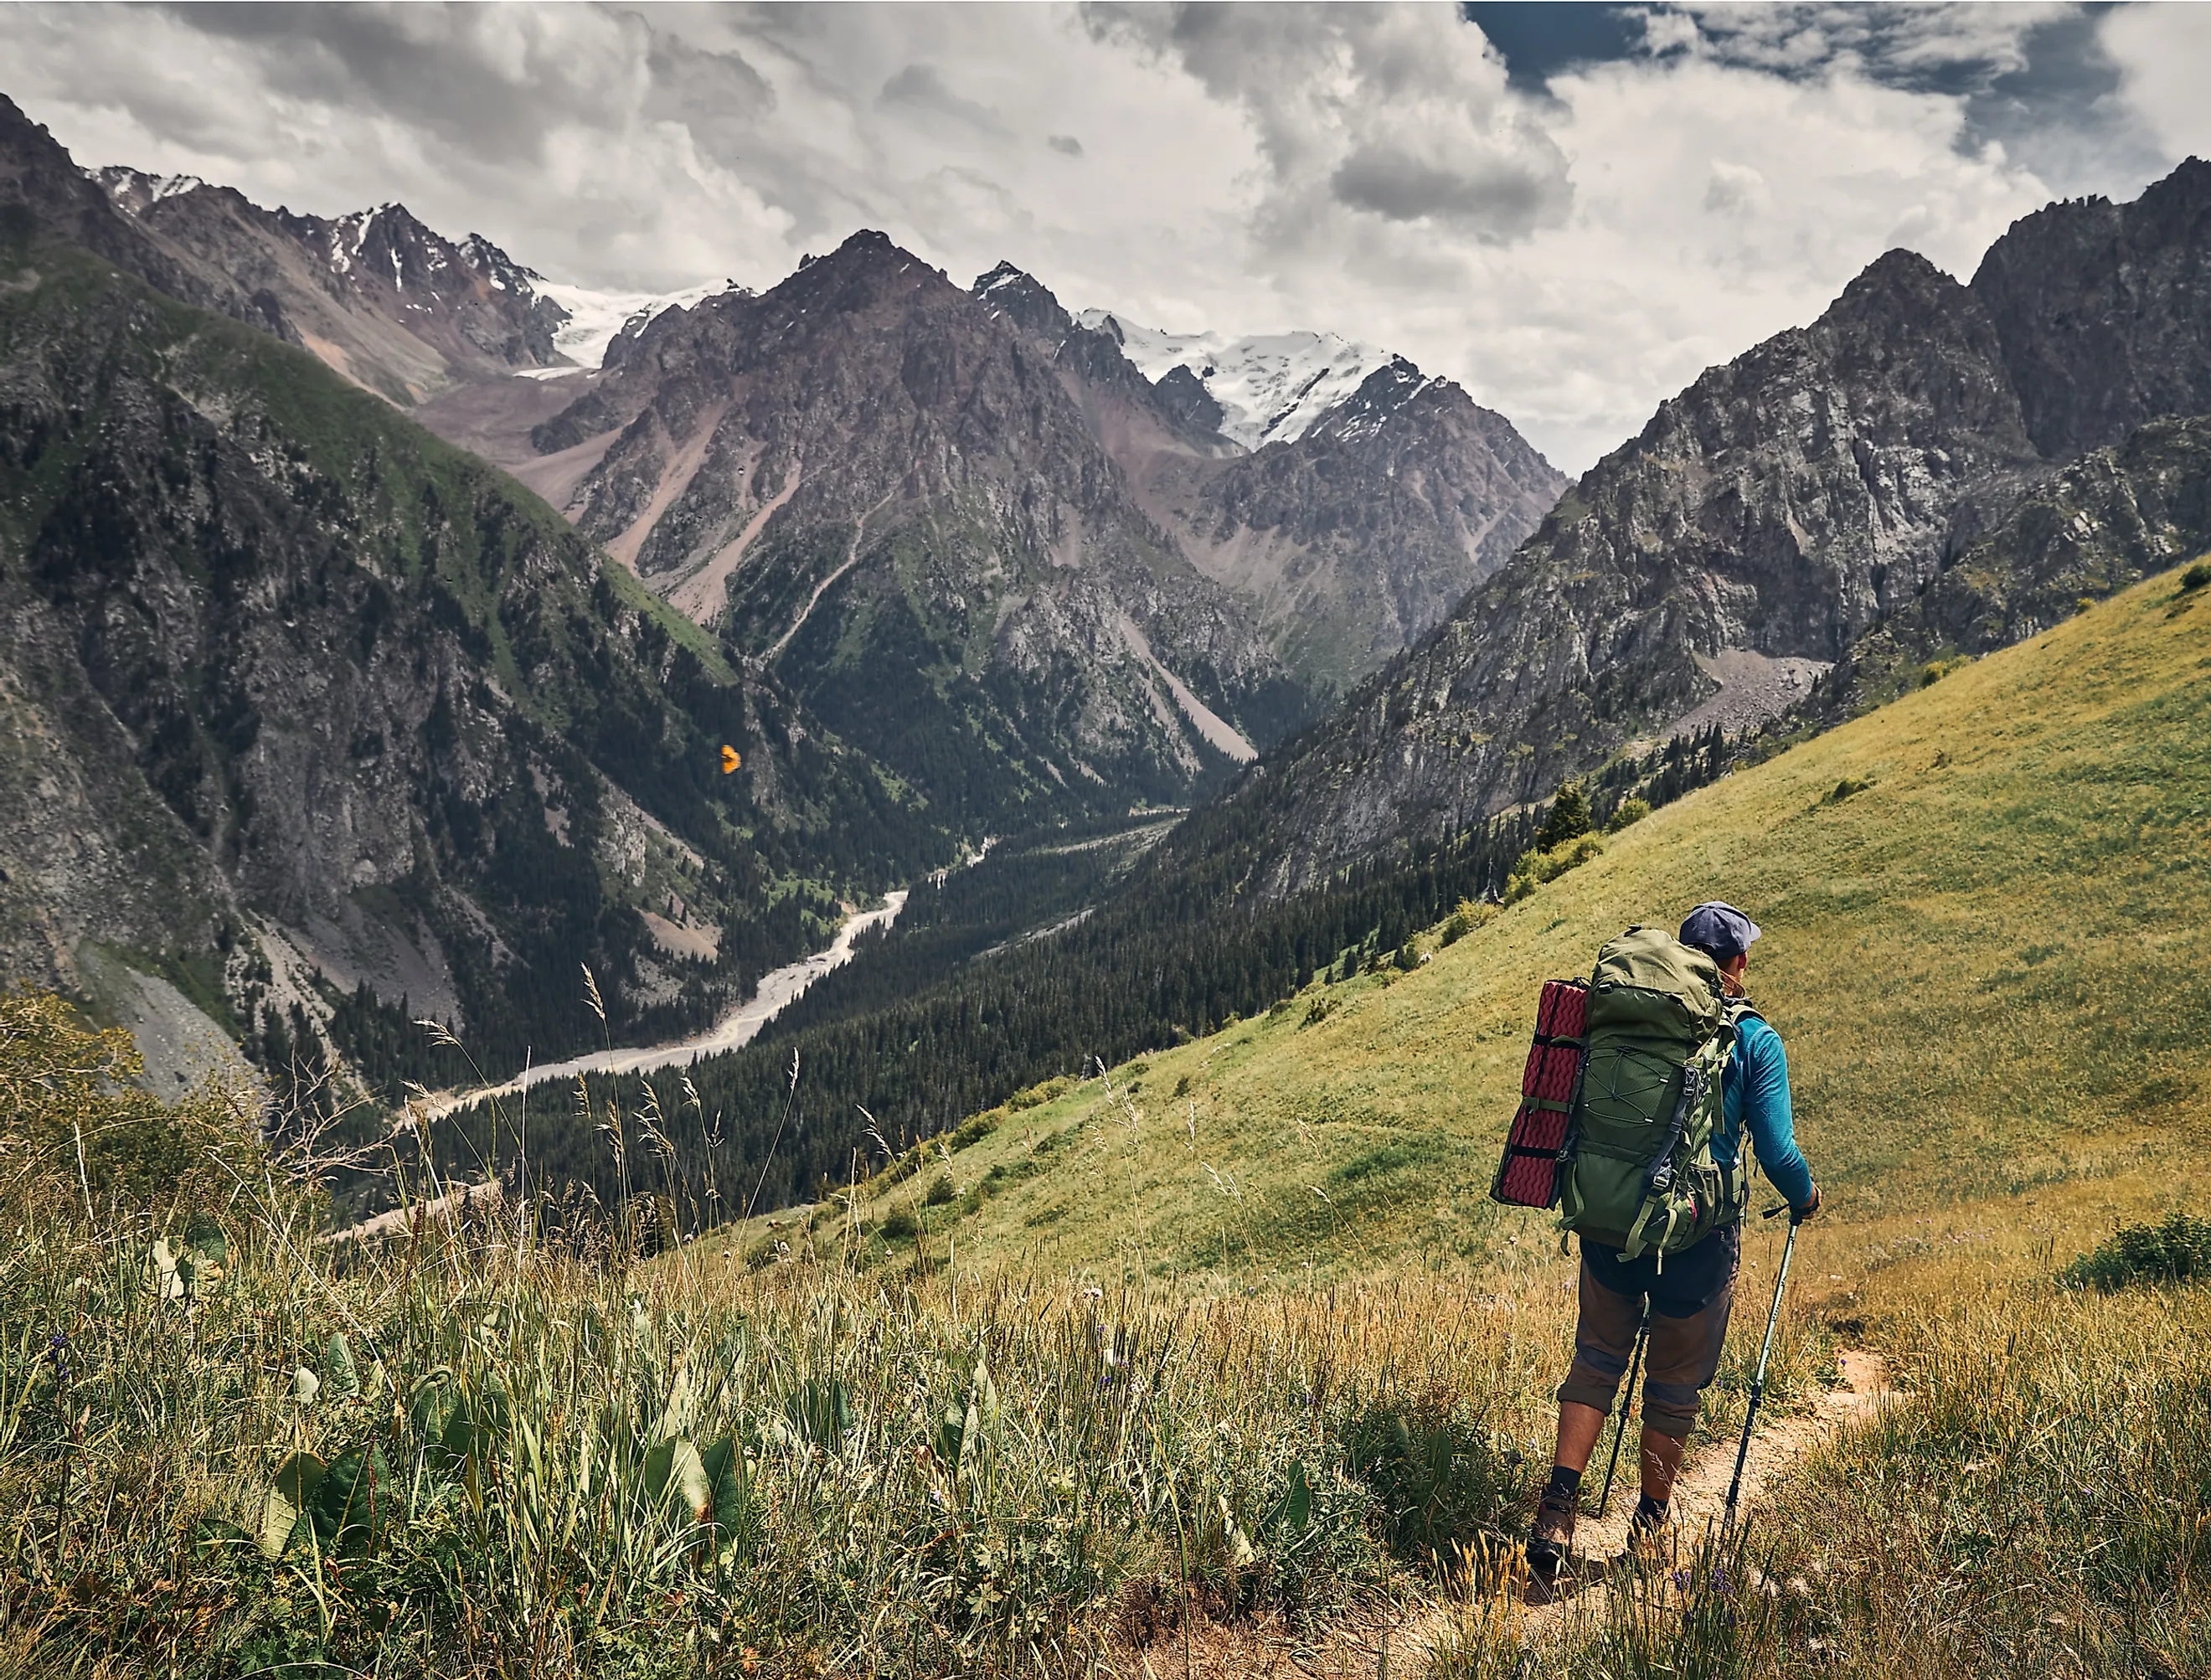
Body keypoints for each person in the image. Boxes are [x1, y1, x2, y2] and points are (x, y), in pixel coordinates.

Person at [1526, 901, 1819, 1581]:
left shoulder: (1627, 1012)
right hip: (1697, 1234)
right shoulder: (1753, 1039)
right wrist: (1804, 1196)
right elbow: (1776, 1151)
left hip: (1612, 1215)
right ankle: (1650, 1528)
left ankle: (1556, 1510)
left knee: (1596, 1357)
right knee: (1673, 1385)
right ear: (1738, 964)